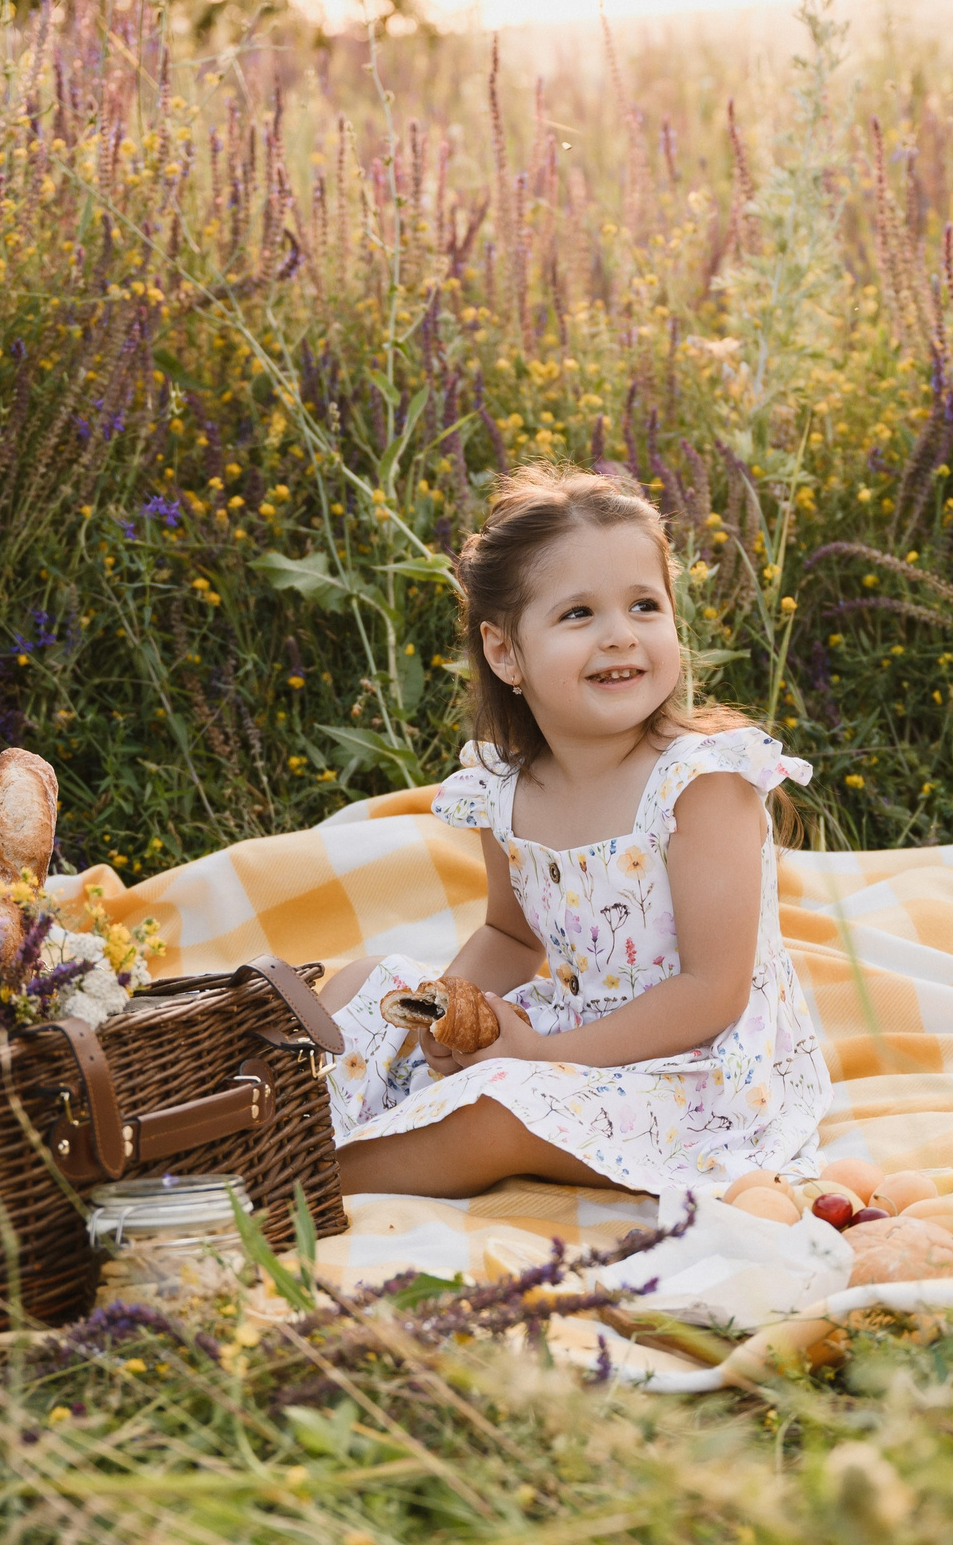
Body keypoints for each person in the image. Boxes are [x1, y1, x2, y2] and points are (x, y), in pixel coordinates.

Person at [317, 465, 831, 1198]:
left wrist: (544, 1057)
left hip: (693, 1074)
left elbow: (711, 991)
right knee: (370, 984)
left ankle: (298, 1179)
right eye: (579, 614)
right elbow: (511, 936)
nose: (620, 636)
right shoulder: (505, 787)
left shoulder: (702, 782)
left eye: (645, 605)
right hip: (557, 1030)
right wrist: (448, 1011)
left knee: (494, 1113)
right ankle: (285, 1123)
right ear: (504, 653)